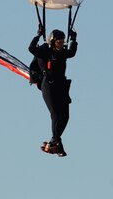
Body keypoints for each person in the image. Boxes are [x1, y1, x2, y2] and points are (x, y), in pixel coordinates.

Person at [29, 26, 77, 156]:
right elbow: (31, 49)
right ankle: (56, 143)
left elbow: (72, 52)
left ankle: (54, 142)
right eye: (59, 42)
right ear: (53, 41)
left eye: (63, 42)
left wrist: (74, 39)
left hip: (61, 86)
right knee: (55, 114)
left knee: (65, 116)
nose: (61, 44)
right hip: (49, 86)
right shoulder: (45, 52)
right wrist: (38, 35)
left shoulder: (63, 53)